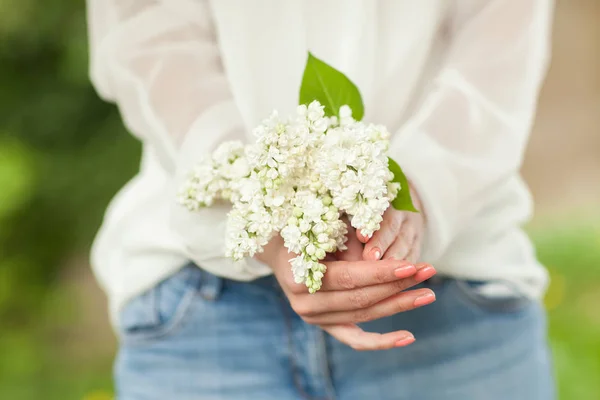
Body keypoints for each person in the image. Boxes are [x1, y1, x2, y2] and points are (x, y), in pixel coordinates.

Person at [86, 1, 556, 399]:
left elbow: (498, 54)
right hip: (207, 310)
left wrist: (410, 198)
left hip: (450, 305)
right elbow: (148, 37)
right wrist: (269, 218)